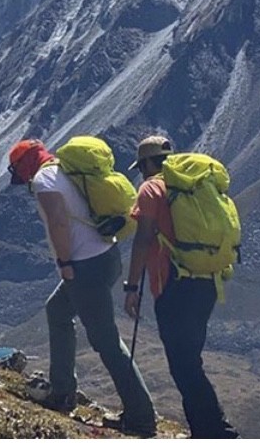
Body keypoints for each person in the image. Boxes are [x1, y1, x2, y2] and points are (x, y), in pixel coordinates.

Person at [8, 138, 156, 437]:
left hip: (85, 266)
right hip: (106, 256)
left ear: (24, 166)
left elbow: (58, 222)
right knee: (58, 311)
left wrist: (64, 262)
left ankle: (141, 417)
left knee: (106, 341)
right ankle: (62, 391)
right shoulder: (66, 170)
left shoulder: (43, 179)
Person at [123, 135, 239, 438]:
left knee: (183, 365)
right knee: (189, 360)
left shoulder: (151, 189)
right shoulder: (197, 184)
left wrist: (131, 287)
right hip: (208, 281)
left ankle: (215, 431)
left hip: (174, 286)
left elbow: (143, 239)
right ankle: (207, 428)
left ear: (148, 163)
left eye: (142, 166)